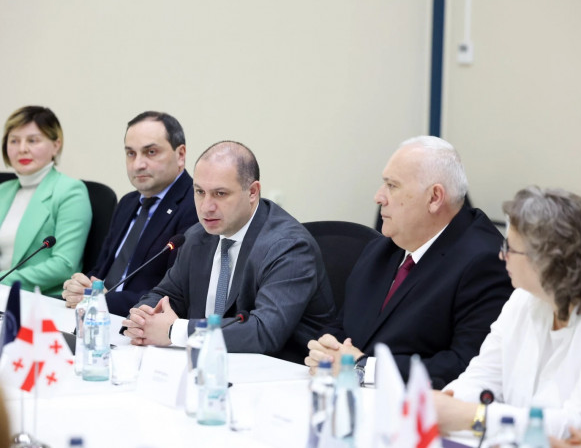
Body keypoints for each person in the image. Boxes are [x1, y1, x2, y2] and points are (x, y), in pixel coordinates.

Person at [305, 135, 512, 388]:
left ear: (434, 198)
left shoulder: (485, 261)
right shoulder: (382, 249)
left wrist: (363, 368)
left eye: (392, 186)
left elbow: (467, 366)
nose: (379, 197)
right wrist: (326, 351)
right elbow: (342, 325)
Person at [122, 141, 336, 363]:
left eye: (220, 194)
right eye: (200, 192)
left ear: (252, 192)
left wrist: (174, 331)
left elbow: (264, 332)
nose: (206, 207)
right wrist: (141, 319)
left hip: (283, 370)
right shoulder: (197, 237)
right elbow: (166, 295)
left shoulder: (288, 247)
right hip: (211, 365)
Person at [433, 187, 581, 439]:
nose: (502, 255)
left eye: (510, 247)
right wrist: (446, 402)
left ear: (547, 259)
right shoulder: (522, 299)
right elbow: (481, 377)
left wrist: (474, 417)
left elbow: (577, 427)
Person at [61, 111, 197, 316]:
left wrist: (103, 300)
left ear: (180, 155)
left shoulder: (194, 205)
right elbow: (101, 272)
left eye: (151, 152)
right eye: (131, 153)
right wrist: (80, 286)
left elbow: (175, 295)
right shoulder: (128, 202)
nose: (138, 164)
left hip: (137, 322)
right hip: (95, 315)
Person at [0, 106, 92, 296]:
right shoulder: (3, 190)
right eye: (14, 141)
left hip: (40, 300)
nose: (22, 149)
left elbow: (63, 265)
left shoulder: (70, 191)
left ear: (56, 145)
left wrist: (3, 280)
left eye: (32, 140)